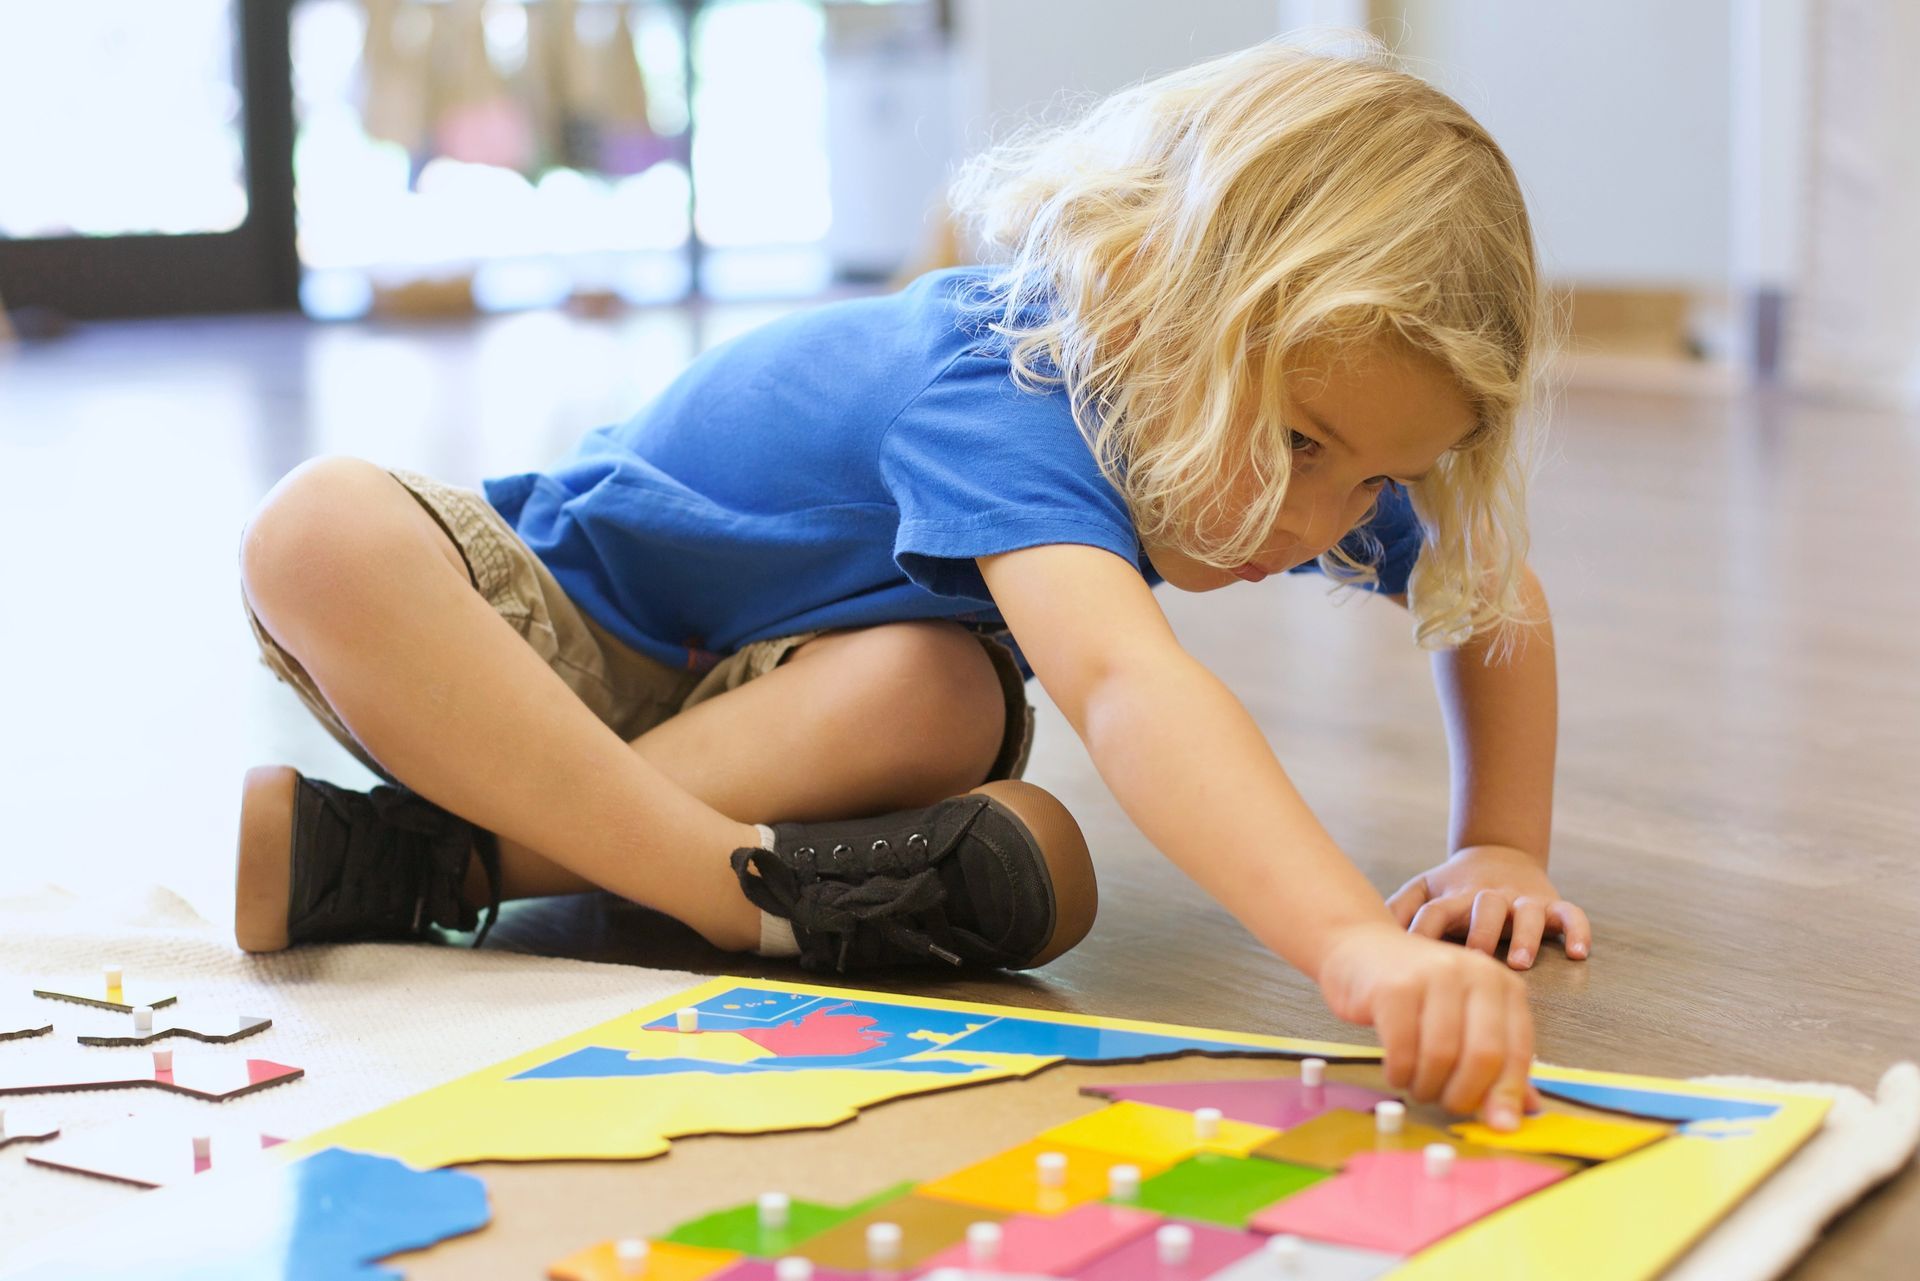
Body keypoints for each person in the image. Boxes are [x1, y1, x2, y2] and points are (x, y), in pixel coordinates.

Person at [233, 40, 1589, 1129]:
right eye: (1298, 443)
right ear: (1145, 302)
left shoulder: (1303, 442)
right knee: (315, 530)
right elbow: (1123, 684)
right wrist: (1353, 944)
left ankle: (438, 861)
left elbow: (1494, 592)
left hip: (746, 709)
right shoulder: (1016, 379)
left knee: (942, 688)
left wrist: (1502, 844)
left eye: (1368, 479)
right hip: (540, 649)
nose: (1317, 520)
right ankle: (724, 889)